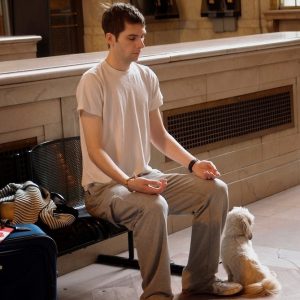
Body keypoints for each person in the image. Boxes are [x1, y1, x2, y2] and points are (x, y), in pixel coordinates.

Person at [76, 3, 242, 300]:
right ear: (110, 38)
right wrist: (128, 182)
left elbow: (159, 135)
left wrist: (192, 164)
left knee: (215, 190)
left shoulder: (146, 76)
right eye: (132, 37)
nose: (141, 44)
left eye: (143, 36)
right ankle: (158, 295)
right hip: (105, 188)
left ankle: (201, 281)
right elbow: (95, 148)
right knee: (153, 207)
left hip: (145, 177)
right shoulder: (93, 81)